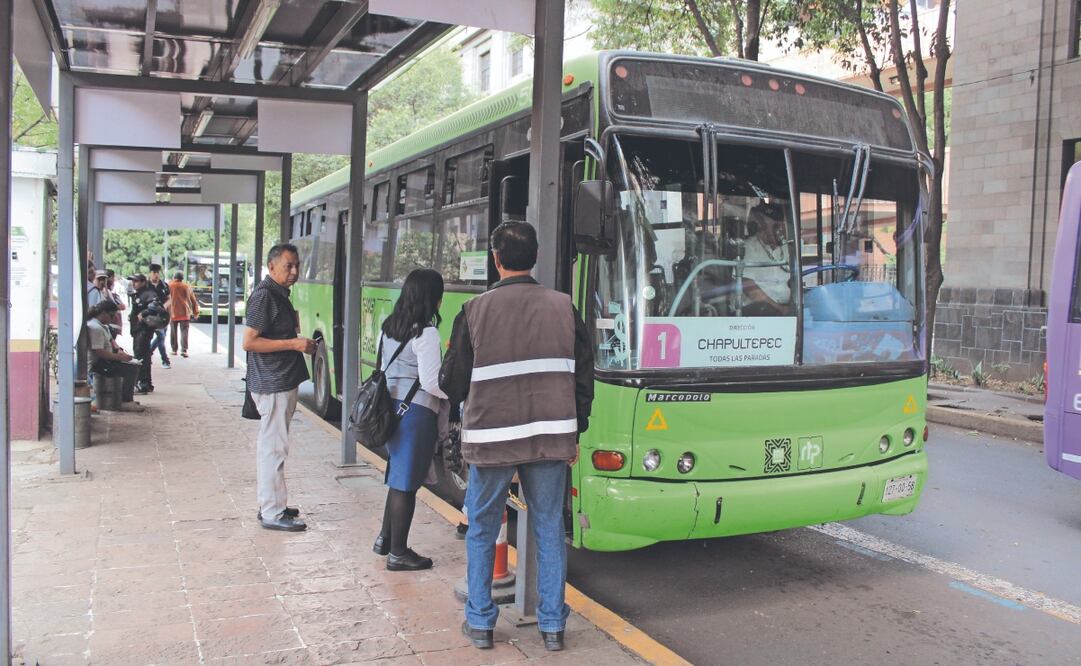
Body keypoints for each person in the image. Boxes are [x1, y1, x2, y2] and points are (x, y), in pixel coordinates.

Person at [440, 222, 594, 652]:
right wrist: (575, 428)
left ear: (496, 258)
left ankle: (482, 623)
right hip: (550, 436)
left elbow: (452, 382)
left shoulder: (473, 311)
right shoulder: (565, 308)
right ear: (536, 257)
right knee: (547, 527)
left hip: (492, 439)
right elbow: (584, 376)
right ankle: (551, 627)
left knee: (483, 527)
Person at [372, 268, 448, 571]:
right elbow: (431, 382)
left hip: (390, 410)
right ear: (432, 298)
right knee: (406, 484)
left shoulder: (388, 328)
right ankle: (399, 553)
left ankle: (385, 539)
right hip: (415, 414)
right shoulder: (426, 334)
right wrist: (452, 390)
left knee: (398, 477)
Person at [242, 244, 317, 532]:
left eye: (297, 265)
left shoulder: (277, 295)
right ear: (271, 266)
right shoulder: (264, 297)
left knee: (275, 445)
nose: (294, 271)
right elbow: (249, 341)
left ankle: (274, 503)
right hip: (272, 384)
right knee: (273, 448)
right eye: (288, 266)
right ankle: (272, 512)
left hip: (281, 381)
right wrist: (294, 343)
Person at [86, 301, 143, 411]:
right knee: (129, 369)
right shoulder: (95, 328)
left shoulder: (102, 326)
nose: (113, 319)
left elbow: (111, 340)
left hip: (105, 361)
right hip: (98, 364)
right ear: (103, 313)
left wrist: (118, 350)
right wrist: (120, 358)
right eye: (112, 315)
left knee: (131, 364)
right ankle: (125, 401)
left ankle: (126, 398)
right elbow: (99, 352)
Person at [741, 203, 793, 316]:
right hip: (758, 310)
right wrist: (780, 309)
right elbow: (749, 288)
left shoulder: (787, 247)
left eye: (765, 227)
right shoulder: (749, 247)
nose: (762, 231)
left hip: (785, 308)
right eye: (761, 228)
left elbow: (794, 280)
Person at [128, 274, 159, 394]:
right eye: (133, 281)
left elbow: (155, 305)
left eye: (136, 281)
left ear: (143, 282)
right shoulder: (139, 294)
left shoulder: (149, 293)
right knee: (144, 355)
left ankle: (142, 382)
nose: (133, 284)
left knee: (140, 355)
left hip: (143, 329)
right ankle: (146, 382)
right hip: (138, 329)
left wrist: (144, 313)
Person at [165, 271, 200, 357]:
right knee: (184, 332)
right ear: (182, 278)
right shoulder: (187, 286)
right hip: (185, 313)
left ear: (174, 277)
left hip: (173, 313)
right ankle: (184, 350)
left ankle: (174, 350)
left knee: (173, 332)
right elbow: (193, 300)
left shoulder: (169, 285)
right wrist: (196, 312)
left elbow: (165, 299)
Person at [148, 263, 172, 369]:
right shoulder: (146, 285)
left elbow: (169, 298)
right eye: (154, 272)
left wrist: (165, 307)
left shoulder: (164, 285)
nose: (156, 275)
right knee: (159, 337)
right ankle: (165, 360)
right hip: (149, 316)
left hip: (162, 316)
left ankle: (151, 355)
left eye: (157, 272)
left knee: (161, 337)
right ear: (150, 273)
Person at [105, 270, 127, 339]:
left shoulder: (112, 294)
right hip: (110, 324)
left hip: (113, 325)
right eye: (113, 278)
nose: (114, 280)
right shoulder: (104, 292)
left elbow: (123, 307)